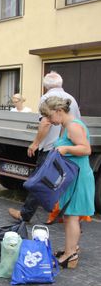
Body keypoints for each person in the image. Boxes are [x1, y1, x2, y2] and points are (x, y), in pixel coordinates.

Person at [9, 71, 80, 222]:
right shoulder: (72, 98)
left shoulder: (47, 98)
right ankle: (63, 214)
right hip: (67, 145)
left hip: (51, 148)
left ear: (45, 86)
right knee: (61, 180)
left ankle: (25, 214)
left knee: (40, 181)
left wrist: (35, 143)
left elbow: (45, 122)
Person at [39, 97, 94, 268]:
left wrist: (66, 148)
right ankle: (70, 249)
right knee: (70, 216)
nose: (48, 120)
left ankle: (71, 255)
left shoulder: (73, 127)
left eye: (49, 116)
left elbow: (86, 149)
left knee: (72, 216)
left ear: (59, 111)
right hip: (72, 176)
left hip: (77, 177)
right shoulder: (66, 126)